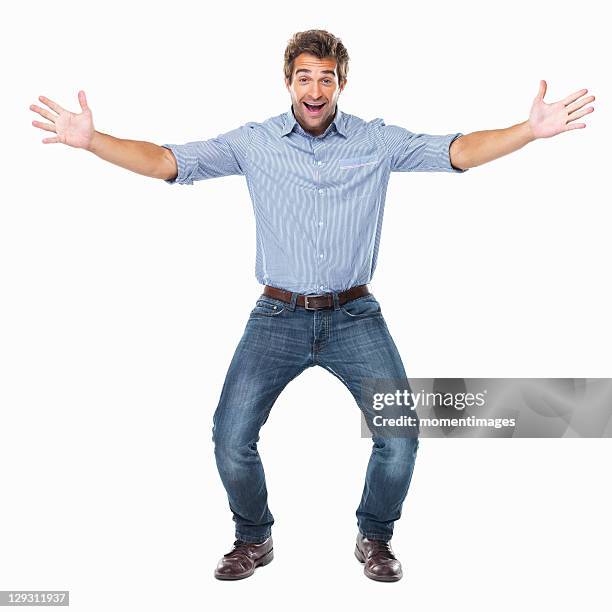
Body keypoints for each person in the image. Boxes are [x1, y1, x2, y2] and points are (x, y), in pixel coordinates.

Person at [30, 29, 595, 583]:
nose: (315, 88)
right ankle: (253, 537)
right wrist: (92, 141)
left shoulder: (376, 141)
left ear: (341, 83)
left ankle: (375, 536)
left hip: (355, 316)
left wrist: (529, 130)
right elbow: (167, 161)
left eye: (327, 78)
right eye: (305, 77)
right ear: (288, 82)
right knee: (230, 436)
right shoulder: (255, 143)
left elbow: (457, 151)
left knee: (400, 436)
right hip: (277, 316)